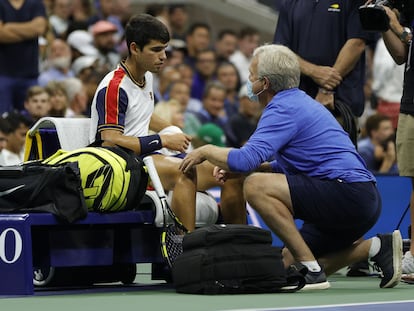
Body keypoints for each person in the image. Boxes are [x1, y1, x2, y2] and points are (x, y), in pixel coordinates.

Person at [179, 44, 402, 290]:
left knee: (255, 186)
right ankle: (375, 247)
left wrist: (205, 151)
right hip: (362, 199)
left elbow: (245, 159)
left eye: (251, 76)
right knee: (286, 264)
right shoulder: (301, 102)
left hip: (347, 194)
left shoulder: (282, 108)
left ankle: (311, 269)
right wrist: (255, 168)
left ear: (265, 83)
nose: (248, 81)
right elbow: (290, 166)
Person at [89, 13, 245, 231]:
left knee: (231, 169)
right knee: (184, 172)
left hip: (146, 158)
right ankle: (187, 251)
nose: (163, 56)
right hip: (120, 167)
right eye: (156, 50)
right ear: (135, 49)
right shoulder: (115, 87)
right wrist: (161, 140)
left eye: (164, 49)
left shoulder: (146, 75)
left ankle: (240, 246)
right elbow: (110, 141)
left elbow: (142, 113)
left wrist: (174, 131)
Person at [273, 0, 374, 117]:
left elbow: (356, 43)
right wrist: (313, 71)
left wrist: (326, 89)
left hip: (337, 105)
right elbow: (281, 51)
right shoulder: (290, 3)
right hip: (296, 105)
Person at [374, 2, 414, 277]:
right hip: (410, 103)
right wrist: (384, 23)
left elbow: (406, 37)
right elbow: (402, 55)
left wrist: (399, 29)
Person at [0, 0, 48, 114]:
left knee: (32, 119)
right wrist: (29, 32)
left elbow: (39, 28)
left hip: (30, 75)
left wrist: (8, 26)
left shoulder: (36, 3)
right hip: (3, 74)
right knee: (3, 119)